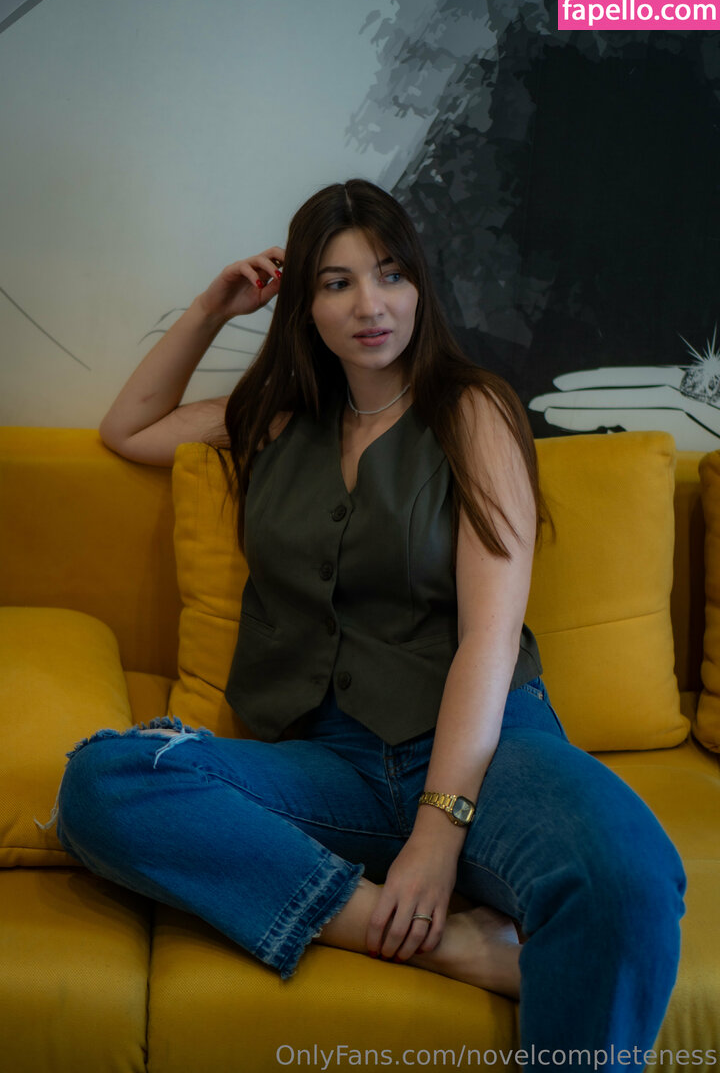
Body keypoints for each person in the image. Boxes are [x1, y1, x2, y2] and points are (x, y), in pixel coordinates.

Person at [56, 180, 686, 1066]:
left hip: (487, 752)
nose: (370, 305)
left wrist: (437, 832)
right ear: (306, 307)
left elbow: (489, 637)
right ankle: (442, 944)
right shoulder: (272, 421)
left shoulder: (474, 411)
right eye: (337, 282)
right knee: (104, 781)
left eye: (390, 274)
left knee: (628, 875)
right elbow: (129, 429)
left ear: (420, 286)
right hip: (330, 768)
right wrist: (211, 308)